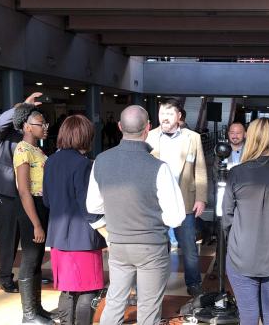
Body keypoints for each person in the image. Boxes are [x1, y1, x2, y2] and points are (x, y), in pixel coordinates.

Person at [86, 105, 185, 325]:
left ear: (119, 127)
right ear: (148, 128)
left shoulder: (101, 160)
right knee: (148, 308)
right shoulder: (159, 167)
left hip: (118, 244)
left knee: (114, 302)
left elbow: (93, 206)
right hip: (151, 247)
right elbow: (175, 218)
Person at [222, 117, 269, 325]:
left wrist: (237, 239)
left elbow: (227, 217)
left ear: (251, 138)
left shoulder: (237, 173)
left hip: (242, 256)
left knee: (248, 315)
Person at [43, 115, 107, 325]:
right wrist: (106, 231)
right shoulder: (84, 164)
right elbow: (89, 205)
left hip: (58, 236)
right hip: (83, 238)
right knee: (89, 289)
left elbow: (47, 200)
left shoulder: (50, 161)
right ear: (85, 136)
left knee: (68, 290)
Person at [146, 98, 208, 297]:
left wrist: (201, 198)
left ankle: (194, 283)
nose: (164, 118)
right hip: (156, 202)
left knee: (189, 246)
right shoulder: (149, 136)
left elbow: (200, 169)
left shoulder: (193, 138)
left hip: (185, 200)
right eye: (162, 113)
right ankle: (154, 284)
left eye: (169, 113)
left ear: (179, 116)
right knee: (156, 247)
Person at [0, 92, 42, 294]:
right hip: (10, 192)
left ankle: (31, 275)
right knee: (9, 237)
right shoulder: (4, 134)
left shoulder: (29, 135)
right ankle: (6, 278)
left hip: (30, 192)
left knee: (32, 235)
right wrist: (22, 105)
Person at [12, 103, 55, 324]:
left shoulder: (37, 149)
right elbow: (23, 190)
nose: (45, 127)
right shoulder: (22, 150)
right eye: (40, 123)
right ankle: (28, 315)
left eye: (45, 123)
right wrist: (36, 224)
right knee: (30, 259)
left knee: (37, 259)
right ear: (27, 127)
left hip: (41, 206)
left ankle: (37, 309)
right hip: (31, 208)